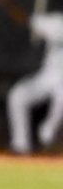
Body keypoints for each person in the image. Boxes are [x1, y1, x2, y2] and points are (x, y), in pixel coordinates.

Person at [6, 11, 63, 155]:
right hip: (47, 76)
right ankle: (20, 145)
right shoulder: (57, 22)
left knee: (62, 94)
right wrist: (9, 4)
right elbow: (29, 20)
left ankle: (49, 131)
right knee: (17, 95)